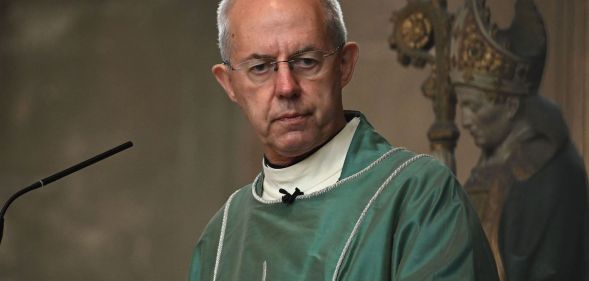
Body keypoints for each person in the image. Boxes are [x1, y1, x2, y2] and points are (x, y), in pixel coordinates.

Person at [189, 0, 499, 280]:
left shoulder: (419, 197)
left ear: (345, 64)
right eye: (260, 68)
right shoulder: (220, 238)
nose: (286, 87)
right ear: (228, 84)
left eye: (306, 61)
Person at [450, 0, 589, 280]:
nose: (464, 119)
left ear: (510, 106)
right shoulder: (494, 162)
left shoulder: (552, 175)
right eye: (462, 105)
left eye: (475, 106)